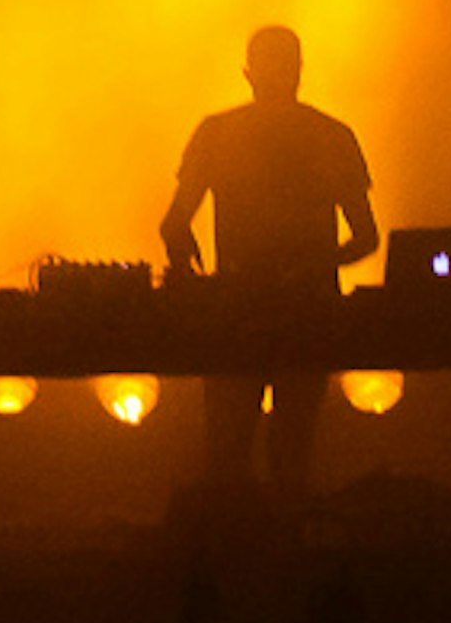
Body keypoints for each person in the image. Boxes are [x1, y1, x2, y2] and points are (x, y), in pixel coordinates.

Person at [160, 26, 377, 500]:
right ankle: (291, 551)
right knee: (293, 453)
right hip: (305, 312)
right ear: (300, 71)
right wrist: (315, 264)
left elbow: (172, 224)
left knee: (228, 451)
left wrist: (186, 270)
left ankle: (231, 553)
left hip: (237, 313)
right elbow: (366, 237)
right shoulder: (331, 136)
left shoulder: (216, 134)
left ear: (246, 73)